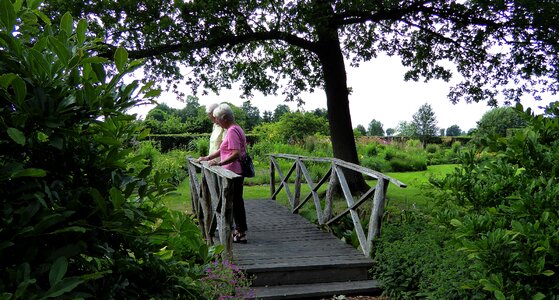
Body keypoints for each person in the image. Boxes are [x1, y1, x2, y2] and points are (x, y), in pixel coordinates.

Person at [197, 103, 248, 243]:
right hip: (235, 171)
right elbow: (224, 149)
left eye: (217, 119)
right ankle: (237, 231)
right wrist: (207, 158)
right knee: (236, 202)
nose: (216, 122)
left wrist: (219, 163)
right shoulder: (236, 128)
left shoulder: (231, 131)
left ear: (224, 118)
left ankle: (240, 232)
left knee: (235, 203)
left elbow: (236, 153)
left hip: (233, 172)